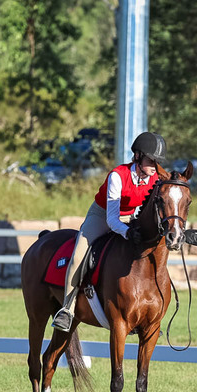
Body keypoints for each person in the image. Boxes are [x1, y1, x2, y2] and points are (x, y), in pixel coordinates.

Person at [51, 131, 167, 332]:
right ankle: (67, 309)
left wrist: (183, 234)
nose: (155, 166)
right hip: (103, 215)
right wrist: (127, 232)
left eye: (157, 162)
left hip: (132, 216)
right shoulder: (117, 176)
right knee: (78, 257)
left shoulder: (155, 178)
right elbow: (112, 219)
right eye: (151, 160)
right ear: (138, 157)